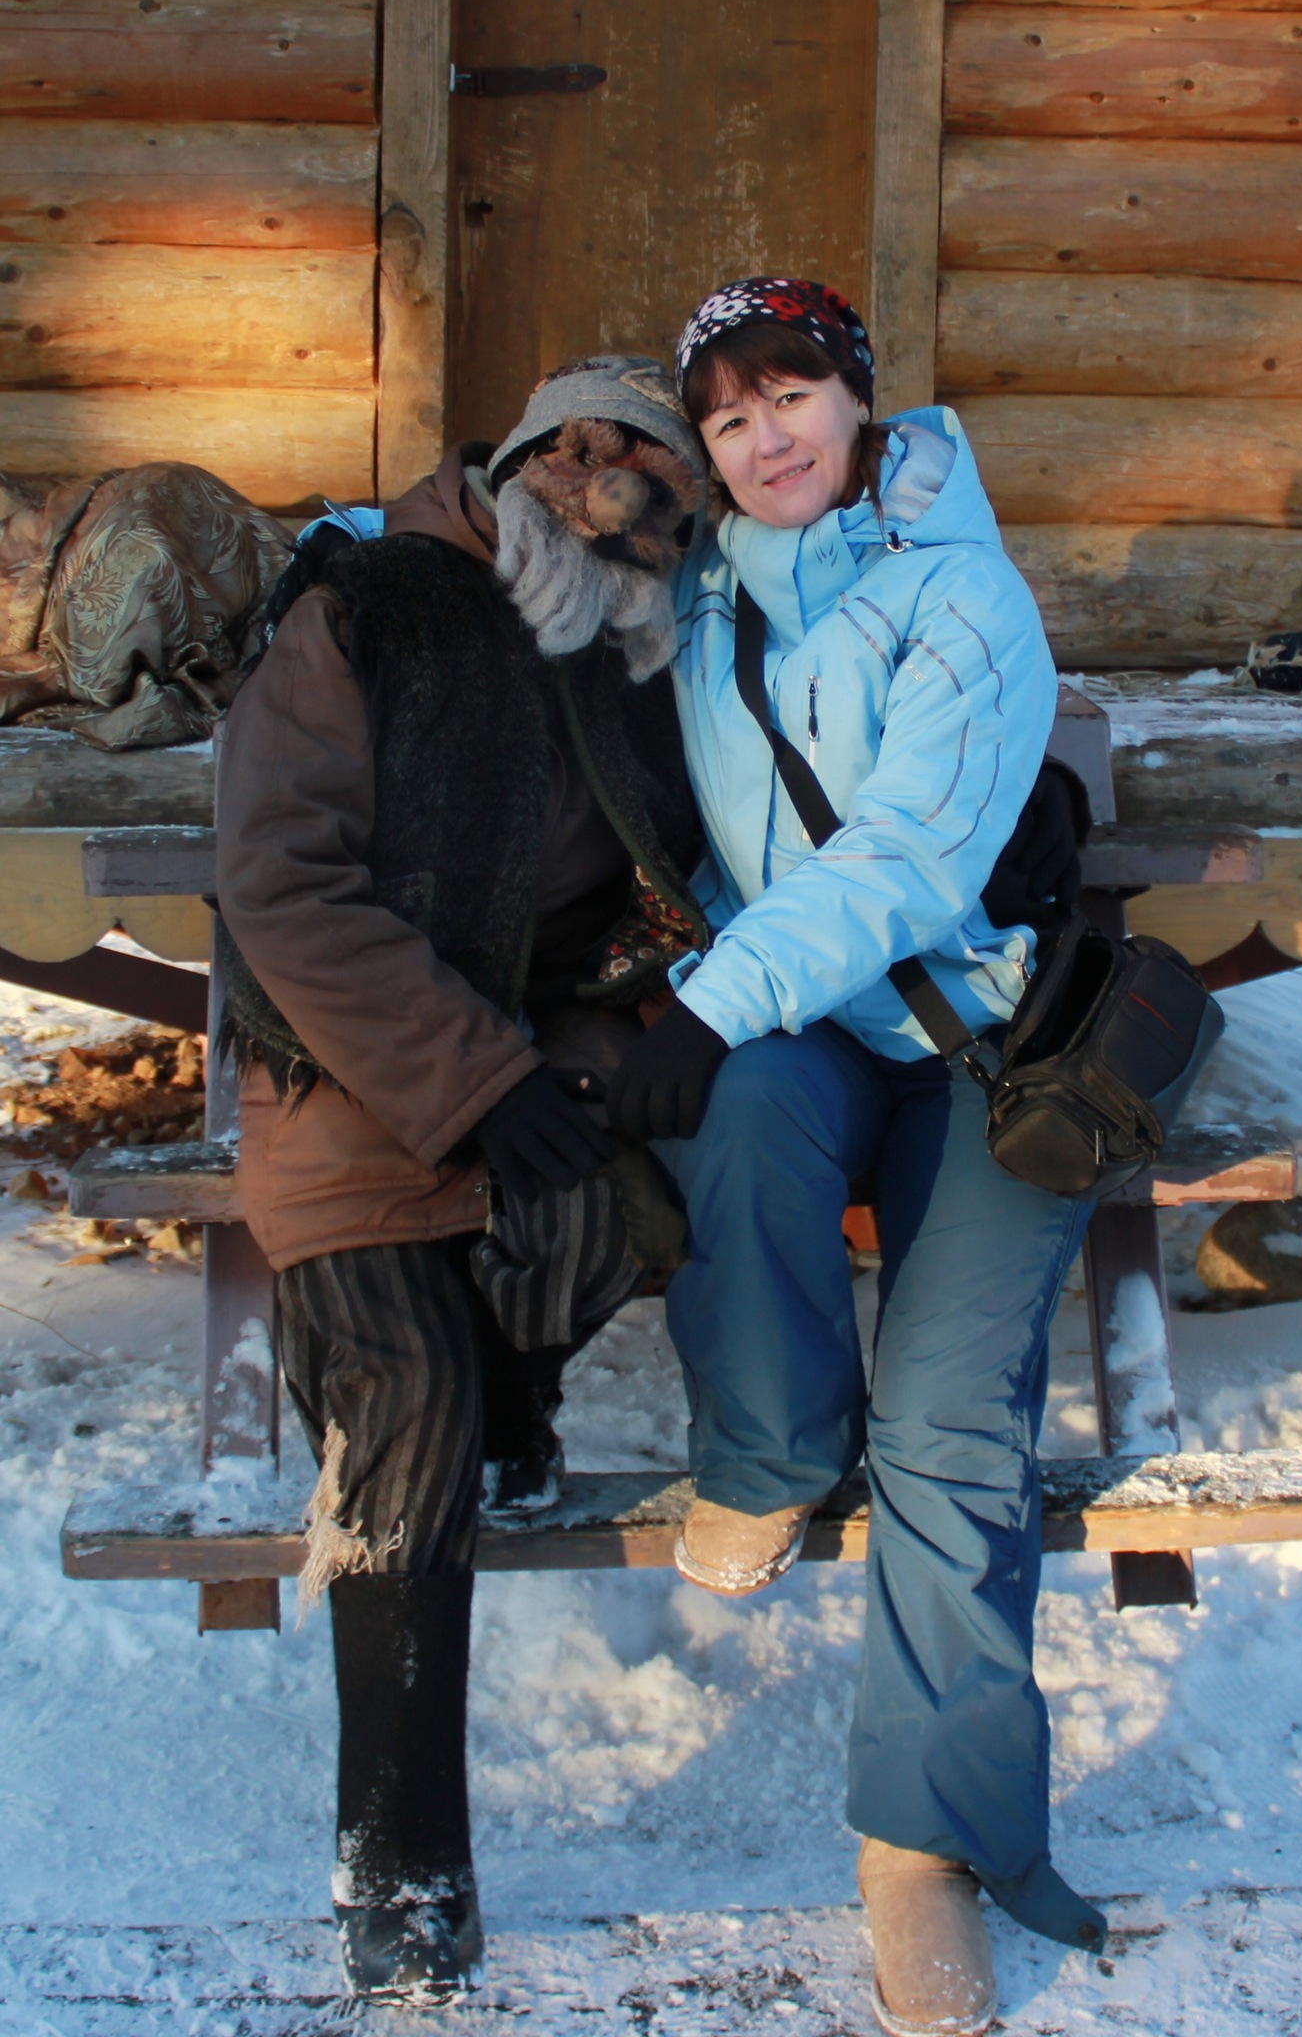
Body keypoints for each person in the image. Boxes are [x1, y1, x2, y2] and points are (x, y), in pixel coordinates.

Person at [605, 279, 1105, 2037]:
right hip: (807, 1030)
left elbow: (906, 857)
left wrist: (708, 1001)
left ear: (860, 399)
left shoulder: (962, 592)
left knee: (952, 1420)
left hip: (978, 1044)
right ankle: (766, 1449)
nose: (767, 439)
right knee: (738, 1118)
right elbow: (513, 536)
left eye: (794, 394)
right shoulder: (694, 587)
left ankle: (928, 1846)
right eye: (728, 416)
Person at [214, 355, 711, 2004]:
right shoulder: (367, 609)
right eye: (585, 461)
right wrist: (477, 1077)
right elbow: (282, 883)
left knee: (599, 1225)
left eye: (655, 493)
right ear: (526, 461)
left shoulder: (631, 652)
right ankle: (399, 1859)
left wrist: (599, 1036)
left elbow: (682, 870)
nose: (610, 504)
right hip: (350, 1072)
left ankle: (515, 1401)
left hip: (526, 1057)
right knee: (405, 1391)